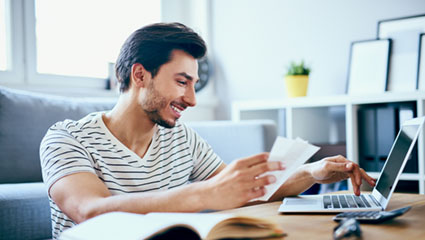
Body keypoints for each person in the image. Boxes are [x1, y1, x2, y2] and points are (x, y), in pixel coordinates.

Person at [40, 22, 375, 238]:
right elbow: (88, 211)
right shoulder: (67, 138)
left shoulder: (181, 138)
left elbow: (245, 189)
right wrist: (203, 193)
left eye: (195, 84)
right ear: (139, 75)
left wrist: (312, 173)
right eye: (182, 82)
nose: (192, 99)